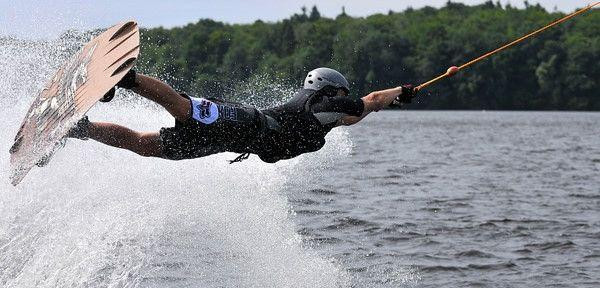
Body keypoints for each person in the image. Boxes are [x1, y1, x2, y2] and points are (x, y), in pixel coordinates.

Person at [69, 67, 417, 163]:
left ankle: (80, 129)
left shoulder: (325, 116)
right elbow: (368, 102)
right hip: (242, 121)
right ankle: (126, 78)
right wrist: (402, 91)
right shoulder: (322, 105)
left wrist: (394, 101)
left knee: (147, 146)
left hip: (231, 140)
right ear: (330, 89)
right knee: (183, 108)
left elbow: (359, 115)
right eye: (343, 94)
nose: (347, 102)